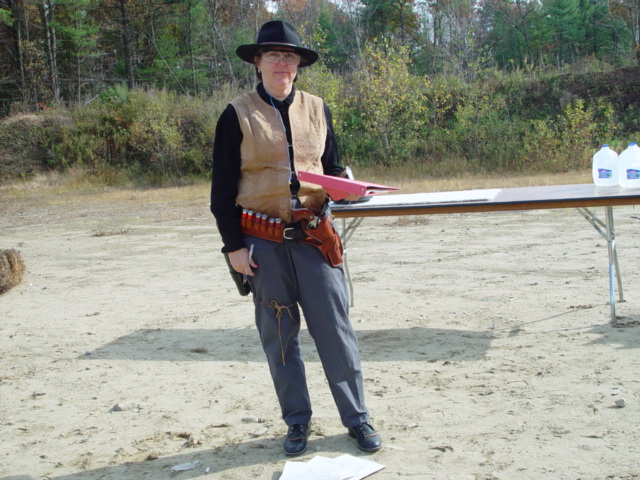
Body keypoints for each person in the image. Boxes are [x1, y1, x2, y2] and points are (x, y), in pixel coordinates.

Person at [210, 20, 382, 456]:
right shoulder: (236, 114)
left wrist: (348, 187)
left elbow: (333, 166)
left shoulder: (317, 108)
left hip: (314, 238)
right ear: (258, 62)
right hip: (262, 242)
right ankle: (297, 421)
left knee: (336, 331)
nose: (282, 63)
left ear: (298, 65)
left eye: (289, 56)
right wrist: (233, 247)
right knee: (280, 338)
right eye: (274, 55)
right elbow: (221, 189)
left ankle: (357, 418)